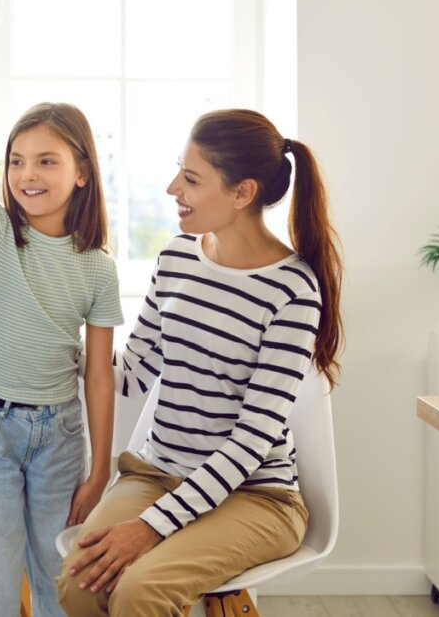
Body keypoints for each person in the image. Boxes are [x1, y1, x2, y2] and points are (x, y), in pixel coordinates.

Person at [57, 108, 344, 616]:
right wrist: (52, 331)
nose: (173, 188)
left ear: (242, 193)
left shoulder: (292, 290)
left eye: (191, 179)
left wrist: (150, 527)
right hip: (156, 473)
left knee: (140, 591)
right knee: (81, 581)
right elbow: (133, 374)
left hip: (257, 496)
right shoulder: (177, 258)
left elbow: (252, 440)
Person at [0, 102, 125, 616]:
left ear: (83, 172)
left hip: (60, 437)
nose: (27, 174)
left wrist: (99, 471)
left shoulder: (97, 268)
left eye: (47, 161)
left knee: (63, 584)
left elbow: (97, 375)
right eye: (17, 160)